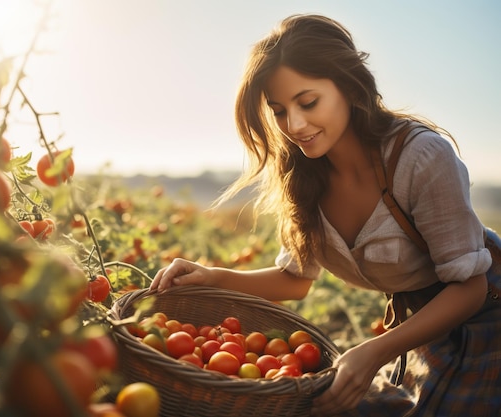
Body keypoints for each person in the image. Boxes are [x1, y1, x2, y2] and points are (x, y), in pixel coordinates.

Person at [150, 13, 501, 417]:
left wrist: (373, 352)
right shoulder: (304, 176)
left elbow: (470, 287)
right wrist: (212, 276)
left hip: (485, 315)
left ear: (349, 86)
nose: (294, 126)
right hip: (416, 325)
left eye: (308, 102)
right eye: (278, 110)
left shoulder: (420, 158)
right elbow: (297, 279)